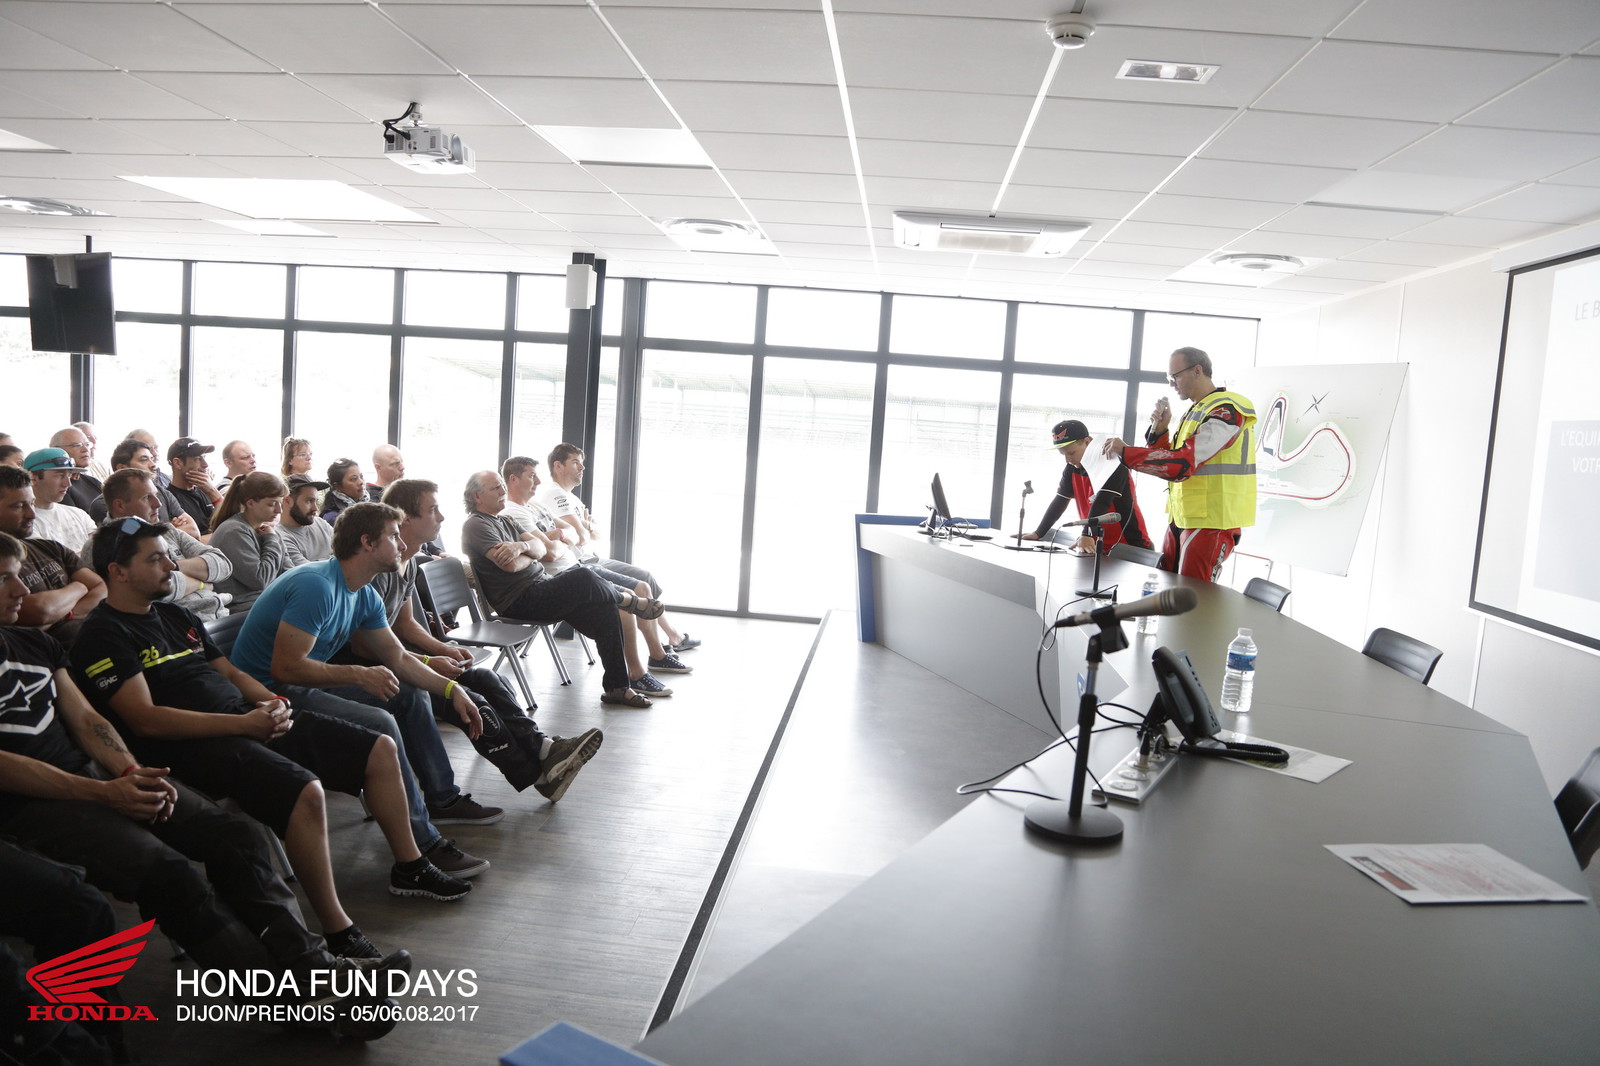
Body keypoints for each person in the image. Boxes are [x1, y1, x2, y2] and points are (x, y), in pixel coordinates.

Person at [0, 530, 408, 1041]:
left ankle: (312, 969)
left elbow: (87, 722)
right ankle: (289, 1002)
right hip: (32, 802)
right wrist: (103, 790)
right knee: (171, 875)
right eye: (5, 579)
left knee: (236, 835)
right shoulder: (100, 634)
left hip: (100, 778)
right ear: (119, 571)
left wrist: (126, 773)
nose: (22, 590)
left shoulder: (34, 642)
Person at [71, 516, 469, 933]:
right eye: (156, 559)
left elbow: (230, 672)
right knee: (305, 789)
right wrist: (245, 724)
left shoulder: (173, 615)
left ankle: (410, 866)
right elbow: (145, 721)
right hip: (195, 744)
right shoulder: (103, 635)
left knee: (379, 747)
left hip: (248, 718)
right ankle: (338, 930)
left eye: (169, 556)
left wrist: (271, 703)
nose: (172, 566)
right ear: (118, 572)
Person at [227, 502, 497, 877]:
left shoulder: (364, 593)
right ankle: (422, 846)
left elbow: (397, 657)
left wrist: (453, 690)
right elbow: (285, 668)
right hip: (266, 698)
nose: (401, 544)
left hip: (295, 684)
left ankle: (442, 799)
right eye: (393, 536)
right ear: (367, 542)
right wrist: (357, 674)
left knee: (410, 694)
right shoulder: (316, 586)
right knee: (380, 721)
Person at [379, 478, 603, 802]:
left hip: (403, 659)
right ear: (405, 519)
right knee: (475, 703)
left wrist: (445, 648)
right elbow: (376, 647)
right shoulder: (382, 569)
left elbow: (406, 626)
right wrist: (430, 660)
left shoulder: (408, 563)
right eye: (432, 510)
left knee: (489, 679)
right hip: (387, 668)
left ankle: (544, 748)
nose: (441, 517)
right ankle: (538, 775)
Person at [463, 470, 661, 709]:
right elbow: (511, 565)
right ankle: (629, 602)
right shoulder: (476, 525)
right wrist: (528, 552)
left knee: (606, 608)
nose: (502, 490)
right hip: (519, 601)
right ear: (477, 496)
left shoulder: (505, 520)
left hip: (541, 587)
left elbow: (540, 548)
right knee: (583, 575)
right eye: (495, 488)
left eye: (501, 485)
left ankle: (616, 688)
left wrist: (522, 547)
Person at [502, 456, 689, 685]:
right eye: (532, 476)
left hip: (579, 565)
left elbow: (573, 534)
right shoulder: (513, 512)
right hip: (563, 577)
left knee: (642, 587)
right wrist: (561, 538)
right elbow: (549, 553)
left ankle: (657, 656)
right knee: (626, 602)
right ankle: (636, 673)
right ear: (513, 479)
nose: (538, 481)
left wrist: (558, 536)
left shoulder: (536, 506)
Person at [1103, 346, 1257, 582]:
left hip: (1212, 520)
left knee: (1192, 595)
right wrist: (1160, 430)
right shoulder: (1196, 410)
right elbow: (1170, 457)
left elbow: (1181, 463)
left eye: (1175, 376)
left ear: (1197, 370)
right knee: (1169, 588)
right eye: (1169, 377)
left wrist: (1126, 452)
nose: (1172, 383)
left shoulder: (1227, 409)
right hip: (1185, 516)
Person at [536, 444, 702, 658]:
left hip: (589, 558)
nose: (582, 468)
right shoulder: (554, 494)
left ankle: (669, 639)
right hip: (582, 563)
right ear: (558, 466)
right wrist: (585, 528)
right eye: (575, 462)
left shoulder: (571, 498)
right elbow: (582, 536)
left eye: (582, 463)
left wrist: (586, 527)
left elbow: (595, 534)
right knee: (642, 581)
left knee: (644, 580)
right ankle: (667, 643)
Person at [87, 467, 234, 620]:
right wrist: (202, 583)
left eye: (156, 495)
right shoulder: (105, 544)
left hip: (221, 614)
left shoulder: (167, 530)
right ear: (120, 506)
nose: (158, 504)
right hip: (176, 624)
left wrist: (176, 567)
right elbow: (149, 588)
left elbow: (223, 563)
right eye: (147, 498)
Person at [0, 465, 105, 646]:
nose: (32, 514)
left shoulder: (50, 547)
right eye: (19, 506)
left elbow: (101, 588)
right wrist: (79, 587)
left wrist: (64, 614)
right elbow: (40, 611)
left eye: (32, 503)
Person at [1020, 419, 1152, 554]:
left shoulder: (1111, 463)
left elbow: (1103, 501)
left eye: (1071, 453)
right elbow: (1060, 500)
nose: (1067, 460)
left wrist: (1086, 534)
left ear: (1087, 442)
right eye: (1063, 454)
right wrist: (1038, 533)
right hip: (1096, 545)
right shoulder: (1072, 467)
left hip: (1130, 546)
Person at [209, 471, 290, 613]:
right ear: (250, 503)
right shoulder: (233, 531)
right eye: (272, 504)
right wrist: (271, 540)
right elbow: (260, 580)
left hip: (267, 602)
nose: (279, 510)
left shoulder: (268, 531)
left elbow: (289, 572)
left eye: (280, 503)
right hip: (244, 610)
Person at [23, 448, 97, 553]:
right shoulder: (24, 523)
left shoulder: (79, 514)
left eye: (69, 475)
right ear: (33, 478)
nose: (68, 484)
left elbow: (101, 549)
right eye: (60, 475)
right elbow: (51, 561)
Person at [165, 436, 222, 531]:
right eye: (197, 458)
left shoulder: (207, 490)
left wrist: (213, 492)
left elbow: (233, 524)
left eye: (204, 457)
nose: (205, 464)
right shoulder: (168, 499)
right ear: (178, 463)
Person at [280, 472, 335, 567]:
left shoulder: (321, 524)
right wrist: (335, 559)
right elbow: (308, 572)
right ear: (287, 501)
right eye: (309, 501)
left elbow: (348, 553)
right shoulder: (280, 537)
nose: (315, 508)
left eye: (316, 501)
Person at [49, 426, 103, 512]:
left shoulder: (94, 482)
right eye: (77, 445)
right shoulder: (58, 487)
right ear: (57, 450)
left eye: (87, 444)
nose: (85, 449)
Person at [321, 458, 366, 524]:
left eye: (361, 477)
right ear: (337, 486)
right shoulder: (333, 517)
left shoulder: (371, 505)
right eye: (353, 479)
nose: (361, 482)